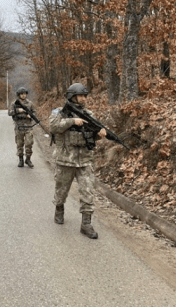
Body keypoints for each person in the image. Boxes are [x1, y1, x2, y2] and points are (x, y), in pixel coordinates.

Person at [49, 83, 107, 239]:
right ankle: (59, 208)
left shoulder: (89, 114)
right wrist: (72, 121)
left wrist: (99, 135)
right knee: (61, 191)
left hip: (85, 160)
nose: (83, 98)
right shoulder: (60, 112)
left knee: (88, 191)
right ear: (72, 96)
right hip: (65, 159)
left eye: (84, 96)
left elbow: (91, 136)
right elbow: (53, 127)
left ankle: (86, 224)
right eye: (80, 96)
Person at [8, 87, 36, 168]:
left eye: (24, 94)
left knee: (29, 143)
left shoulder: (30, 103)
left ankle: (28, 159)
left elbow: (34, 112)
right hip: (19, 126)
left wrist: (30, 115)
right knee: (19, 144)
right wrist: (18, 110)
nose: (23, 95)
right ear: (19, 95)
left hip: (28, 126)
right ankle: (21, 160)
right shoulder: (14, 103)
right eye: (21, 94)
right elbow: (9, 113)